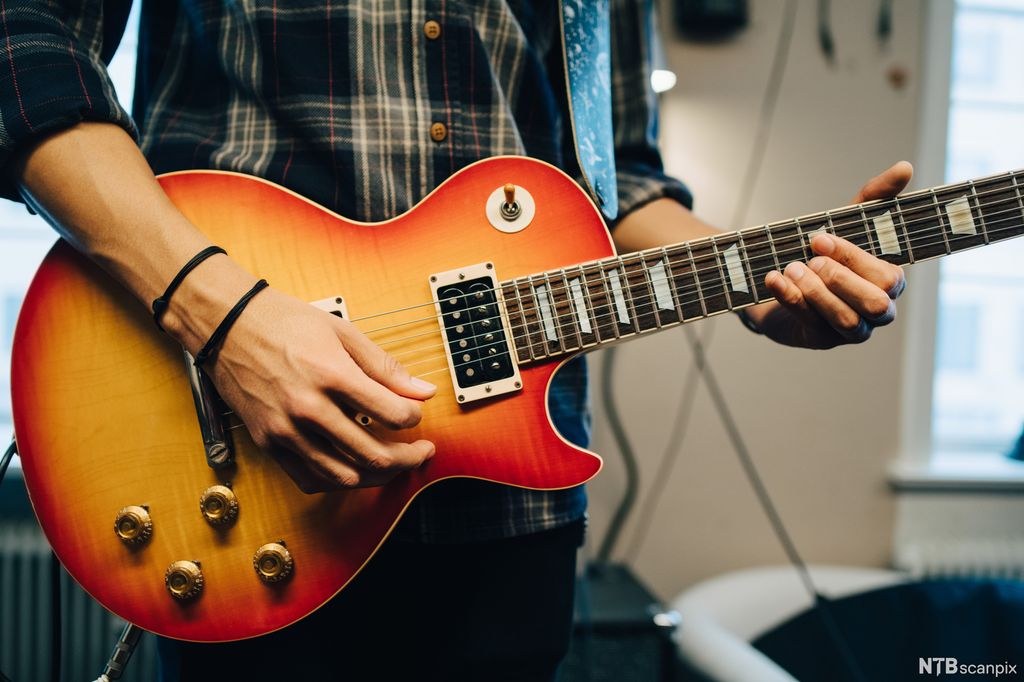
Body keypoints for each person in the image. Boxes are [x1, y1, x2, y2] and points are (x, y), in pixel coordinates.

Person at [1, 1, 907, 680]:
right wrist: (223, 316)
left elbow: (615, 176)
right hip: (247, 467)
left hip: (508, 512)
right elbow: (24, 37)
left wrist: (759, 278)